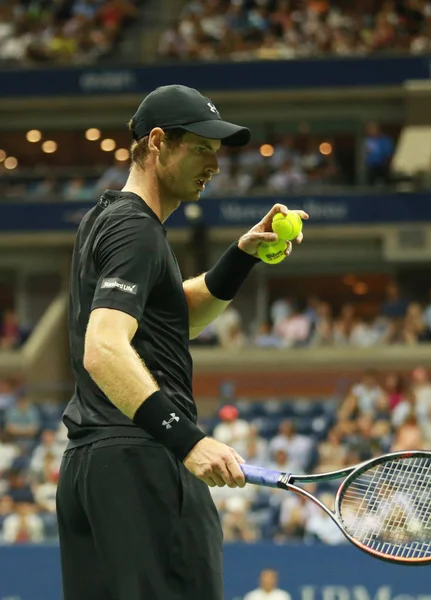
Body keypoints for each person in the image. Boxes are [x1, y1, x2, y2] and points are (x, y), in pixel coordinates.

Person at [56, 84, 308, 600]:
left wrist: (242, 255)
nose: (213, 164)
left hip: (90, 470)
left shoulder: (105, 220)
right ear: (156, 143)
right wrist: (187, 440)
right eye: (199, 148)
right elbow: (104, 348)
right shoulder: (137, 232)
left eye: (216, 152)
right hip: (143, 463)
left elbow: (173, 318)